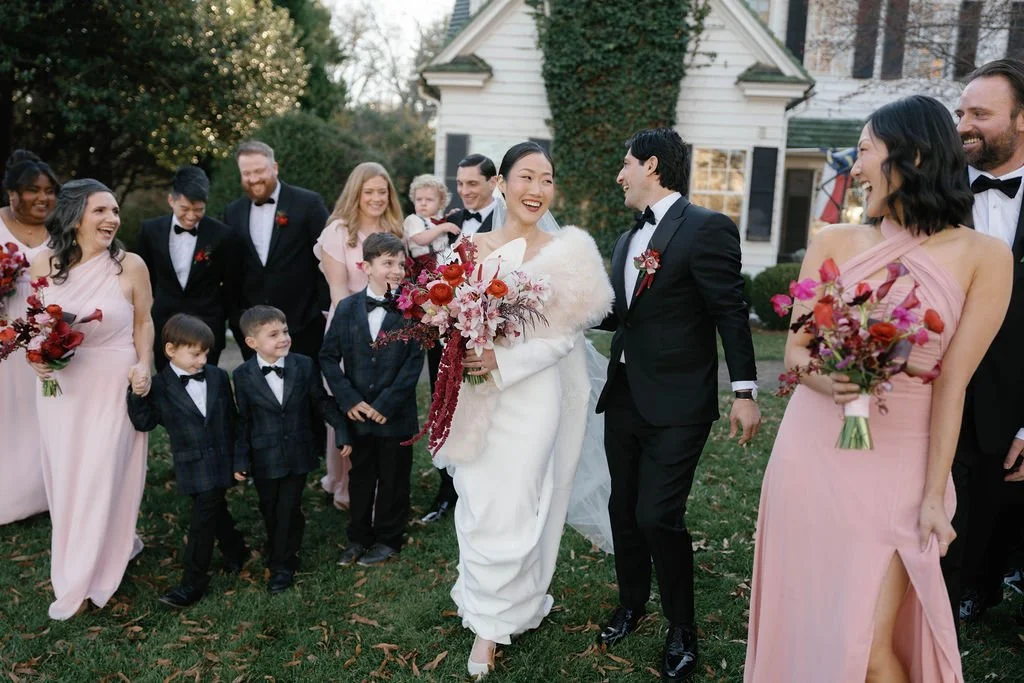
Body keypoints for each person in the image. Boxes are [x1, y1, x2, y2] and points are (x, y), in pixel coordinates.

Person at [745, 95, 1013, 682]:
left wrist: (935, 495)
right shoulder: (834, 242)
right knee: (812, 619)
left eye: (865, 150)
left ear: (911, 155)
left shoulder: (985, 257)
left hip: (902, 462)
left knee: (869, 645)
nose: (856, 167)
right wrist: (832, 377)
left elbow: (954, 385)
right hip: (813, 455)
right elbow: (796, 350)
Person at [434, 141, 614, 678]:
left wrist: (500, 361)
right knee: (479, 498)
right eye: (526, 177)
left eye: (547, 179)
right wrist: (456, 339)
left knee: (520, 500)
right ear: (502, 184)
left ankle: (492, 627)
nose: (537, 189)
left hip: (533, 397)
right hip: (478, 396)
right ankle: (487, 599)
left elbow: (562, 341)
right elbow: (445, 318)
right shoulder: (468, 248)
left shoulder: (568, 254)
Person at [593, 128, 760, 680]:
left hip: (679, 404)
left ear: (653, 166)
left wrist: (743, 391)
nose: (618, 175)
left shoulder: (707, 229)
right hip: (623, 398)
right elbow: (622, 314)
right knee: (623, 508)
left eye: (625, 164)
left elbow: (729, 313)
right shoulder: (625, 241)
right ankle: (631, 602)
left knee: (657, 515)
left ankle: (682, 625)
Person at [28, 179, 154, 620]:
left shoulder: (131, 265)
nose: (113, 219)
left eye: (116, 211)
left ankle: (85, 576)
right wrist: (36, 358)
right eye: (102, 210)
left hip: (113, 383)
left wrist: (145, 363)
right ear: (76, 214)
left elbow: (144, 321)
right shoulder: (44, 261)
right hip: (62, 388)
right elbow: (35, 321)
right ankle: (93, 548)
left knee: (103, 473)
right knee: (68, 478)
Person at [945, 58, 1024, 628]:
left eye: (980, 113)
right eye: (960, 112)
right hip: (947, 381)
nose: (963, 124)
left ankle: (991, 584)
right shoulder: (940, 193)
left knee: (1006, 502)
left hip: (1019, 388)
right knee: (952, 499)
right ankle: (952, 593)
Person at [126, 314, 249, 608]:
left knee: (201, 523)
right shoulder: (160, 386)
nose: (202, 359)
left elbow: (235, 422)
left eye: (206, 352)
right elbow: (144, 423)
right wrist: (136, 393)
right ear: (170, 350)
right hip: (191, 465)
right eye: (195, 353)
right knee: (214, 512)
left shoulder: (218, 377)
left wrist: (241, 460)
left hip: (222, 460)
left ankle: (193, 582)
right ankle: (236, 550)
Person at [320, 232, 424, 567]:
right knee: (361, 476)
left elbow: (413, 364)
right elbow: (328, 357)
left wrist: (386, 404)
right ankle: (358, 537)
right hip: (359, 413)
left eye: (400, 263)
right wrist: (349, 400)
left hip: (395, 415)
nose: (396, 270)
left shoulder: (413, 311)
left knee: (394, 478)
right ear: (366, 266)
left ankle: (389, 538)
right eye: (388, 263)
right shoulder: (348, 308)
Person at [232, 305, 348, 594]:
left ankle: (282, 565)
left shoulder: (303, 365)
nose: (283, 338)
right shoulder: (243, 375)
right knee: (270, 507)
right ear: (252, 343)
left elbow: (320, 401)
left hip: (298, 452)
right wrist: (241, 459)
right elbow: (243, 420)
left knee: (288, 506)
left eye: (284, 331)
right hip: (264, 456)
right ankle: (281, 542)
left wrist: (342, 430)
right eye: (273, 334)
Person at [314, 162, 404, 511]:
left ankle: (382, 482)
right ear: (356, 193)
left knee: (382, 401)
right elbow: (337, 291)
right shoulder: (339, 231)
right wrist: (359, 337)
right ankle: (344, 484)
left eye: (383, 191)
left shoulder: (395, 230)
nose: (377, 198)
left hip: (391, 328)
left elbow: (400, 285)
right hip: (348, 325)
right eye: (369, 192)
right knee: (349, 403)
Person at [420, 154, 500, 524]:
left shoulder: (507, 221)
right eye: (460, 183)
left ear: (492, 182)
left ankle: (487, 483)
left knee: (486, 408)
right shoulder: (449, 222)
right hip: (446, 330)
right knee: (445, 405)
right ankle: (446, 489)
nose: (465, 191)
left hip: (492, 334)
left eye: (473, 183)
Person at [222, 141, 330, 363]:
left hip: (304, 324)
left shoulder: (308, 203)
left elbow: (326, 259)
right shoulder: (232, 212)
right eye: (246, 173)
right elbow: (232, 270)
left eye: (259, 171)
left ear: (275, 168)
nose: (253, 178)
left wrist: (322, 310)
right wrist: (237, 318)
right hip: (254, 330)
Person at [0, 150, 57, 526]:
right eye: (33, 191)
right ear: (12, 195)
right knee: (8, 412)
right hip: (4, 336)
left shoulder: (63, 229)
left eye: (50, 191)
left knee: (45, 411)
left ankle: (45, 493)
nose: (43, 198)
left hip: (47, 333)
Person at [135, 166, 241, 370]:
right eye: (185, 208)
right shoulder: (150, 230)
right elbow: (144, 277)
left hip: (207, 324)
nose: (191, 216)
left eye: (199, 209)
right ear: (171, 201)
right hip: (164, 324)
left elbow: (231, 284)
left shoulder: (223, 235)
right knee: (167, 387)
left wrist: (221, 318)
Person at [403, 173, 460, 265]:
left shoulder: (438, 220)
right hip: (424, 264)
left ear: (441, 203)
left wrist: (451, 216)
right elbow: (420, 239)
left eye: (429, 199)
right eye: (419, 199)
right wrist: (443, 227)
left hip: (443, 260)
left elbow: (440, 224)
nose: (423, 203)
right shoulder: (413, 220)